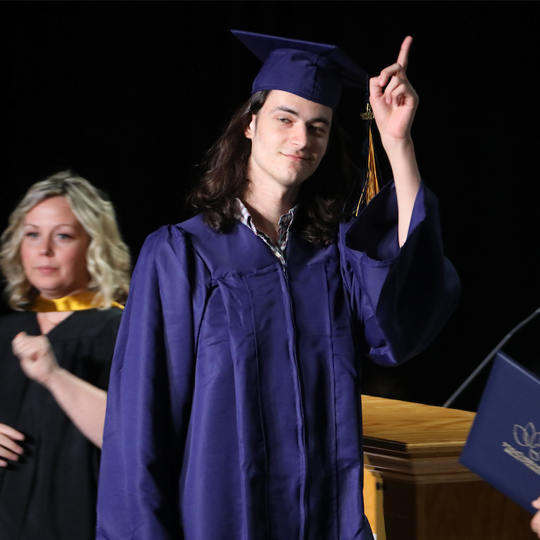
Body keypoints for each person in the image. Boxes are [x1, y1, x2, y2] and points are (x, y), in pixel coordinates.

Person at [96, 31, 460, 540]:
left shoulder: (333, 258)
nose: (300, 140)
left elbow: (401, 323)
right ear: (250, 124)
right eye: (284, 119)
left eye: (318, 127)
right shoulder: (182, 255)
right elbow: (139, 428)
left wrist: (398, 143)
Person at [0, 171, 131, 540]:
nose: (44, 250)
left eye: (63, 236)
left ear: (94, 245)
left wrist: (54, 376)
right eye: (32, 234)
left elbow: (132, 438)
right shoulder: (5, 332)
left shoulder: (122, 330)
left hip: (78, 521)